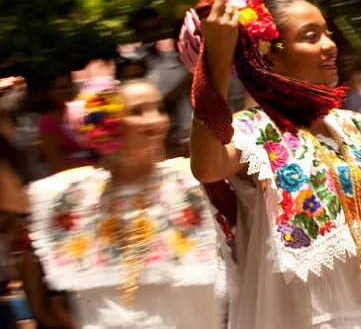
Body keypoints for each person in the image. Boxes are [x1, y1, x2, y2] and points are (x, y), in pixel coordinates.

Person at [183, 0, 361, 328]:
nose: (330, 46)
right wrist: (218, 61)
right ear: (270, 53)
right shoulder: (254, 131)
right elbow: (207, 166)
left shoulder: (350, 128)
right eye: (311, 37)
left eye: (327, 34)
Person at [25, 77, 222, 329]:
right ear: (110, 122)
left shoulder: (191, 179)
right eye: (138, 111)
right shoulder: (79, 193)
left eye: (159, 109)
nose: (155, 119)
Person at [37, 74, 95, 173]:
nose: (65, 91)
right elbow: (56, 164)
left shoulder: (85, 113)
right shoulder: (47, 122)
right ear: (51, 93)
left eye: (68, 87)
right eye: (60, 88)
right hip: (70, 176)